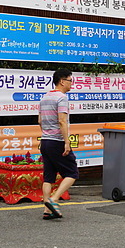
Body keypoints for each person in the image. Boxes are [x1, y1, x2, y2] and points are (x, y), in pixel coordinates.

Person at [39, 68, 79, 219]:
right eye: (70, 81)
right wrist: (67, 143)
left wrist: (47, 134)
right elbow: (62, 121)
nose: (71, 84)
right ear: (62, 81)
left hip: (45, 141)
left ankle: (47, 210)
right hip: (57, 142)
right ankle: (54, 199)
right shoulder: (61, 98)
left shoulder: (44, 98)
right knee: (72, 172)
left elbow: (39, 121)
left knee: (48, 176)